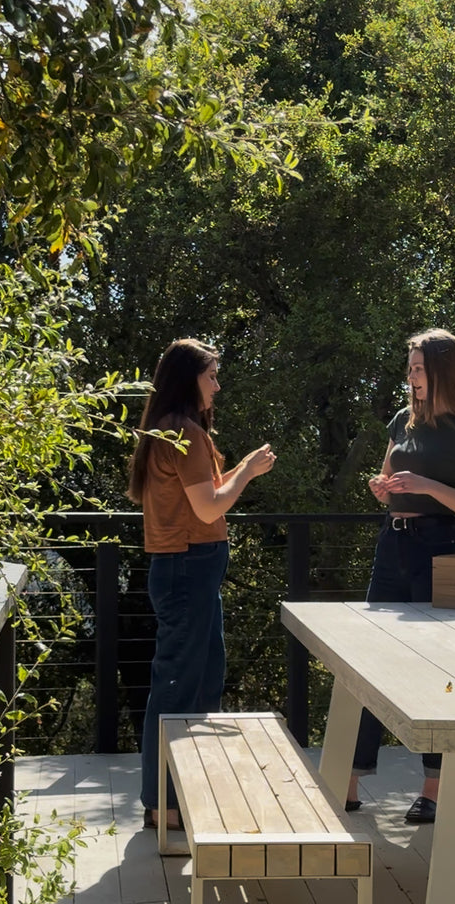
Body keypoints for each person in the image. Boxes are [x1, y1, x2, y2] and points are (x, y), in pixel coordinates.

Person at [348, 328, 455, 823]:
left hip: (440, 549)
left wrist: (429, 487)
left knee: (437, 672)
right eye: (409, 368)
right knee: (370, 662)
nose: (410, 376)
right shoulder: (402, 420)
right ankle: (349, 779)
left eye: (417, 368)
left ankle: (434, 787)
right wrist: (381, 487)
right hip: (391, 545)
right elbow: (389, 479)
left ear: (442, 372)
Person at [128, 338, 276, 831]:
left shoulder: (169, 430)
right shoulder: (184, 434)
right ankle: (162, 804)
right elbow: (210, 508)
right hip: (188, 568)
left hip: (189, 570)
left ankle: (182, 792)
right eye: (211, 375)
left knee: (204, 679)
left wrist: (240, 470)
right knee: (177, 687)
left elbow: (203, 495)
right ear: (188, 379)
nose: (217, 385)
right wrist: (247, 473)